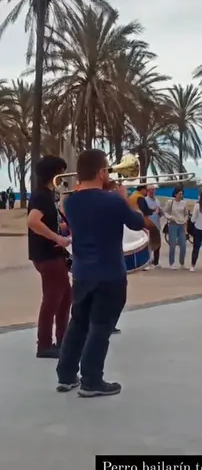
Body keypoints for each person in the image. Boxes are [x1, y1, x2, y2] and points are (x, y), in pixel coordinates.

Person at [56, 149, 146, 396]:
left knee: (78, 324)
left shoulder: (70, 201)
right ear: (100, 172)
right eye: (107, 169)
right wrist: (124, 198)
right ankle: (91, 380)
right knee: (100, 328)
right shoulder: (113, 200)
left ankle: (66, 375)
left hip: (82, 273)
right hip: (110, 274)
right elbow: (138, 223)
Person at [26, 155, 72, 359]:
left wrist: (60, 228)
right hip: (47, 255)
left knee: (64, 296)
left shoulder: (47, 196)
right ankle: (45, 344)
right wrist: (57, 238)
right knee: (54, 299)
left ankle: (61, 339)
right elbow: (33, 221)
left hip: (50, 254)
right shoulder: (41, 196)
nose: (63, 177)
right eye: (61, 172)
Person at [163, 186, 190, 269]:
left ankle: (182, 262)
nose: (181, 195)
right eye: (179, 194)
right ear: (175, 194)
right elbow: (165, 212)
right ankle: (172, 263)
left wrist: (185, 220)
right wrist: (170, 217)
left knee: (183, 245)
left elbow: (186, 214)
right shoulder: (170, 202)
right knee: (172, 245)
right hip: (173, 224)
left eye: (182, 194)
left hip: (182, 225)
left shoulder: (184, 203)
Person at [140, 185, 162, 269]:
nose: (153, 191)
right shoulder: (144, 200)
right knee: (148, 245)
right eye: (151, 190)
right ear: (147, 191)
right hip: (148, 225)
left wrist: (160, 212)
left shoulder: (157, 201)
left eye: (154, 190)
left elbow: (159, 214)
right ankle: (147, 263)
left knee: (157, 244)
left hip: (157, 225)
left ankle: (156, 263)